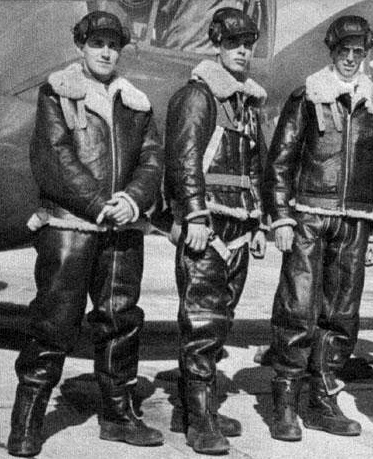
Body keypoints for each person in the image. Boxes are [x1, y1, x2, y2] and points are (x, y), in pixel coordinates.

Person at [7, 11, 164, 457]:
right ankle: (28, 419)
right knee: (53, 322)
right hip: (70, 228)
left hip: (122, 231)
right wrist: (99, 205)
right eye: (97, 43)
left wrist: (131, 201)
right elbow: (52, 157)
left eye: (113, 44)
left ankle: (117, 415)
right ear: (81, 46)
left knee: (120, 321)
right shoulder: (57, 92)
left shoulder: (136, 102)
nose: (106, 51)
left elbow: (153, 158)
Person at [263, 15, 373, 442]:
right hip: (308, 216)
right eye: (344, 52)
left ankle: (322, 398)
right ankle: (284, 403)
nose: (351, 59)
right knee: (298, 309)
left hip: (354, 222)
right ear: (332, 52)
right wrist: (280, 215)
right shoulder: (307, 96)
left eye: (358, 53)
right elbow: (280, 160)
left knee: (341, 316)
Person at [163, 7, 268, 454]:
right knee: (202, 323)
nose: (242, 50)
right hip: (207, 227)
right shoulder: (197, 96)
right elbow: (182, 160)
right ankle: (199, 419)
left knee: (219, 323)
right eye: (233, 43)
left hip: (241, 227)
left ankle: (192, 407)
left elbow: (256, 167)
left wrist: (260, 220)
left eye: (248, 43)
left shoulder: (246, 104)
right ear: (217, 45)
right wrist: (194, 217)